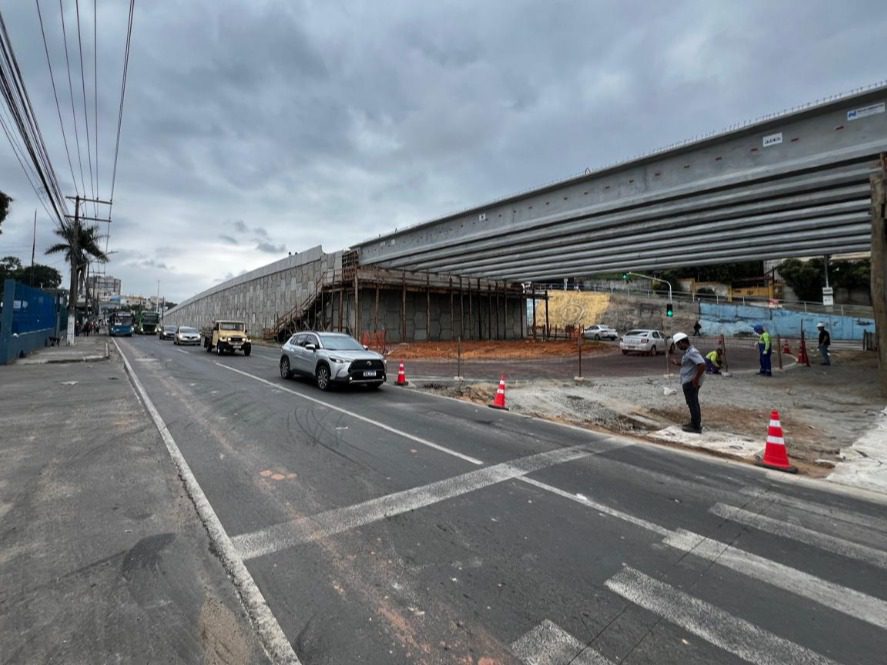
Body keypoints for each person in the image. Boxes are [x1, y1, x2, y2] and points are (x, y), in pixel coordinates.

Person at [670, 332, 706, 433]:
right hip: (688, 380)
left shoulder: (692, 352)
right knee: (691, 403)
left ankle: (696, 426)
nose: (678, 347)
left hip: (691, 382)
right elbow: (687, 364)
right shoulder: (688, 352)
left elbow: (702, 365)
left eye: (678, 345)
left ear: (682, 342)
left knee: (693, 403)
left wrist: (696, 379)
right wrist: (677, 363)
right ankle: (694, 422)